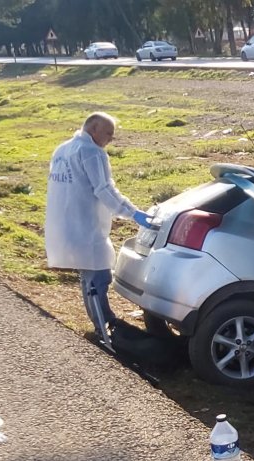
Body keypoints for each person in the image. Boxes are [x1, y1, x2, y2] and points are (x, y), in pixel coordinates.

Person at [45, 112, 153, 348]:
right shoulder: (92, 152)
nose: (110, 140)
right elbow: (104, 189)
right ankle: (102, 328)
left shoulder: (63, 149)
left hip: (65, 221)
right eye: (108, 134)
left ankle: (105, 320)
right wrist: (132, 213)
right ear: (93, 128)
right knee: (97, 277)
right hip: (86, 223)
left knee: (90, 274)